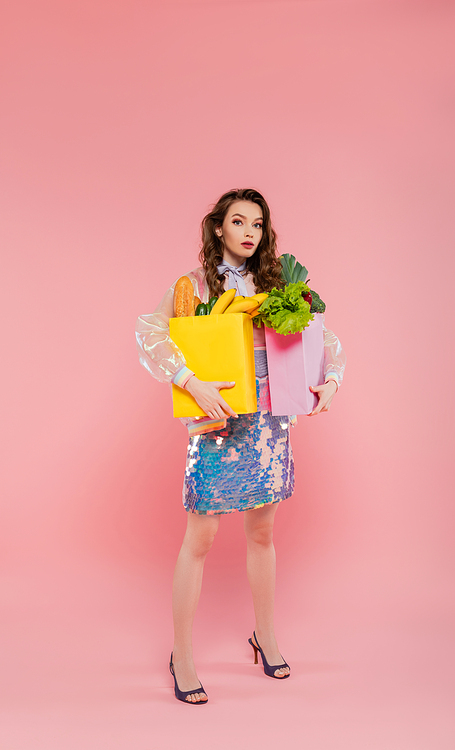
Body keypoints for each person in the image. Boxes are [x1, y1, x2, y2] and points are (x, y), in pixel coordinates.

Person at [135, 188, 346, 704]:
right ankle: (181, 653)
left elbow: (325, 339)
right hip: (218, 420)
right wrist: (190, 381)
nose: (249, 231)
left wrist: (332, 379)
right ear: (219, 228)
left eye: (257, 222)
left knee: (263, 533)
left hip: (270, 424)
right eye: (238, 221)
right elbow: (149, 332)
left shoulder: (277, 286)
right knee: (200, 539)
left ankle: (265, 636)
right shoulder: (194, 285)